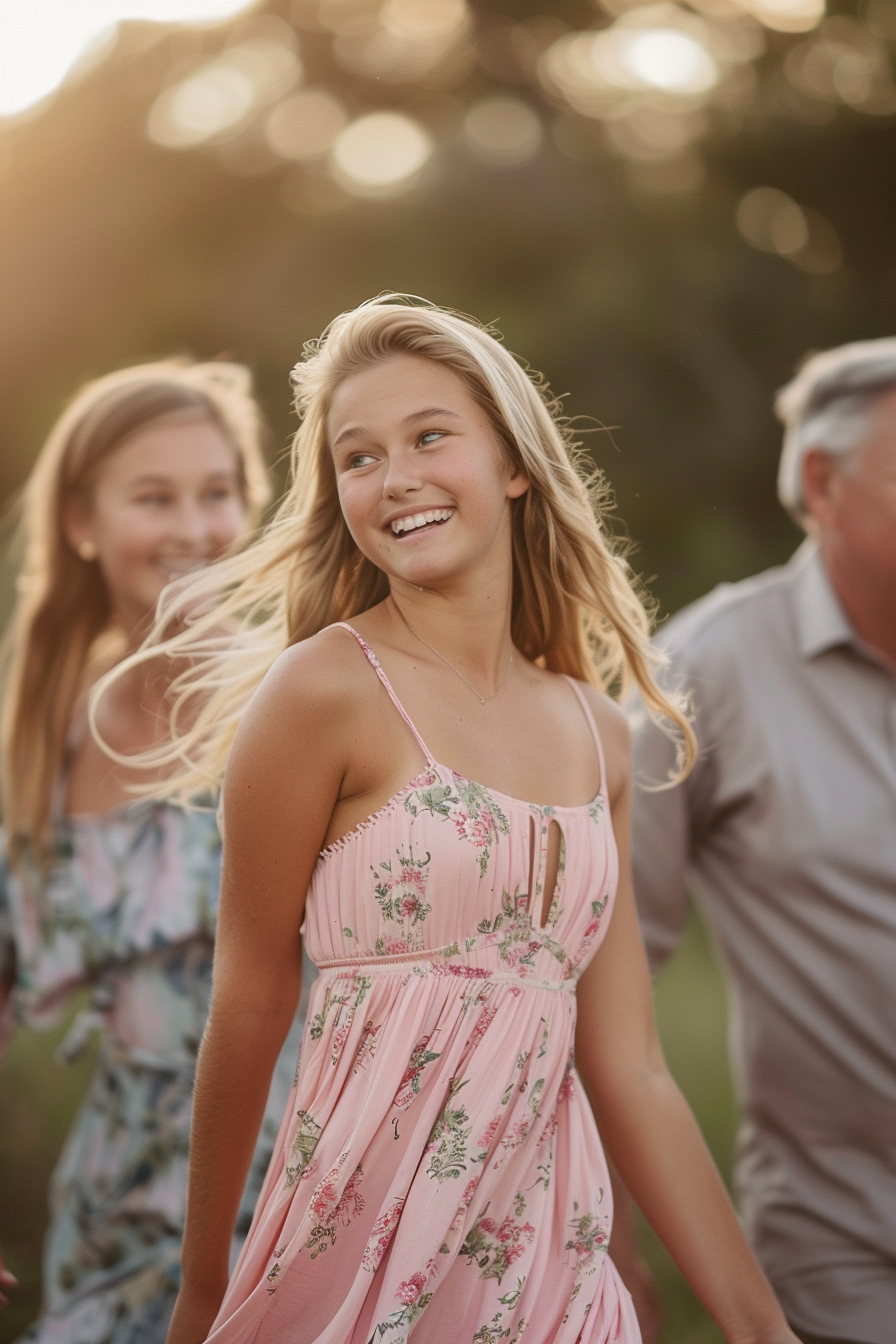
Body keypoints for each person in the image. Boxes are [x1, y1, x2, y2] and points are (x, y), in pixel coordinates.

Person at [100, 297, 800, 1344]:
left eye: (430, 436)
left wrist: (758, 1326)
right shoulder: (324, 691)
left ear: (513, 463)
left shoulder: (596, 733)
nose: (396, 478)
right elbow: (247, 1003)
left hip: (549, 1267)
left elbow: (630, 1069)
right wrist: (205, 1295)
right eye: (359, 457)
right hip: (355, 1256)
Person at [0, 361, 311, 1344]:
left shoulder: (307, 694)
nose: (192, 527)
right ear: (82, 523)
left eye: (216, 493)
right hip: (120, 1208)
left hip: (311, 1189)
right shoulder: (38, 739)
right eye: (154, 497)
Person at [627, 338, 896, 1344]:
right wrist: (607, 1240)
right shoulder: (699, 673)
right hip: (847, 1262)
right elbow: (593, 984)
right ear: (820, 483)